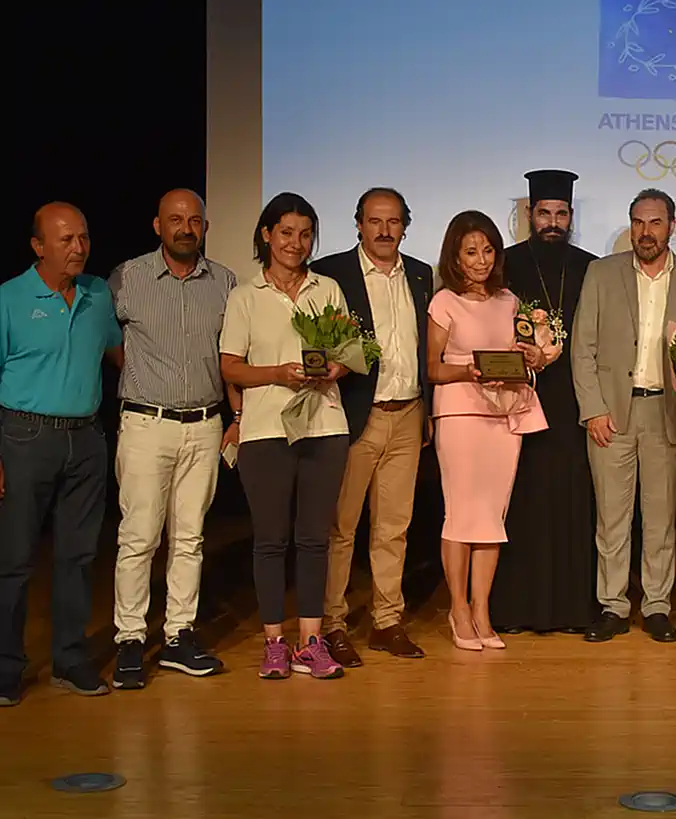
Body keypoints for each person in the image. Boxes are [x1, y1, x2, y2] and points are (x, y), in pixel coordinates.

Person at [572, 188, 676, 644]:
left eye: (655, 222)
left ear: (672, 226)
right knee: (612, 519)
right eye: (638, 222)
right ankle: (613, 605)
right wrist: (593, 409)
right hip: (612, 412)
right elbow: (582, 348)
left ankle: (656, 605)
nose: (646, 231)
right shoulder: (601, 273)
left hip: (667, 413)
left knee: (660, 519)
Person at [109, 189, 238, 690]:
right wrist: (141, 376)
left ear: (205, 226)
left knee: (190, 538)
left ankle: (178, 635)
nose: (186, 228)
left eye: (195, 220)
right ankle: (130, 639)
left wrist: (235, 416)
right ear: (157, 226)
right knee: (139, 537)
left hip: (205, 425)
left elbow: (231, 354)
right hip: (147, 424)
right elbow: (108, 341)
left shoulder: (224, 281)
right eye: (176, 219)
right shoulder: (128, 278)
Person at [219, 192, 350, 681]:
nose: (297, 243)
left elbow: (348, 352)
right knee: (271, 540)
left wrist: (336, 367)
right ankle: (275, 643)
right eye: (287, 232)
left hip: (324, 426)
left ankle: (311, 643)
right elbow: (230, 366)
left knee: (314, 539)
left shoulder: (327, 289)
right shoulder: (245, 296)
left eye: (306, 234)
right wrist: (277, 373)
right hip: (265, 431)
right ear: (266, 235)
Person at [0, 203, 123, 705]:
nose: (79, 247)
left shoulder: (97, 294)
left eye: (84, 237)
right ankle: (6, 667)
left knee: (79, 556)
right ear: (38, 246)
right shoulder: (9, 298)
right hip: (25, 438)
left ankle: (70, 660)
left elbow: (119, 353)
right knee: (14, 558)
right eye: (66, 239)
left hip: (86, 438)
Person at [314, 188, 434, 667]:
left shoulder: (421, 274)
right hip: (354, 414)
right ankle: (332, 625)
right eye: (374, 221)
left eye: (393, 221)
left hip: (408, 413)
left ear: (405, 225)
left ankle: (387, 621)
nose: (384, 231)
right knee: (340, 528)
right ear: (358, 224)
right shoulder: (332, 274)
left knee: (393, 527)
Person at [426, 210, 547, 652]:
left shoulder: (509, 301)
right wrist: (469, 371)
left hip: (503, 416)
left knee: (492, 517)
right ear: (455, 257)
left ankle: (482, 611)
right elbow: (433, 368)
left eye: (488, 251)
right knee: (461, 514)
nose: (481, 260)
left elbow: (517, 355)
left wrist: (532, 357)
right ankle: (458, 609)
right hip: (460, 414)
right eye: (471, 252)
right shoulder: (444, 302)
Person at [492, 170, 600, 634]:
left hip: (573, 400)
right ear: (530, 215)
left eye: (560, 214)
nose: (552, 222)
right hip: (519, 398)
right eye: (543, 213)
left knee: (573, 504)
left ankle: (573, 609)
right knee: (522, 501)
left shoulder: (591, 267)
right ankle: (517, 609)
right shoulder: (505, 264)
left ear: (570, 216)